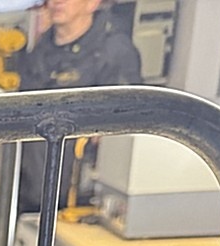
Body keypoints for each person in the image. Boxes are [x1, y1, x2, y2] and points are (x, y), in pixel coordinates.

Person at [17, 0, 143, 211]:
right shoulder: (39, 50)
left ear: (92, 3)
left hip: (82, 194)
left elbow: (127, 121)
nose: (57, 2)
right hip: (31, 187)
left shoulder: (114, 51)